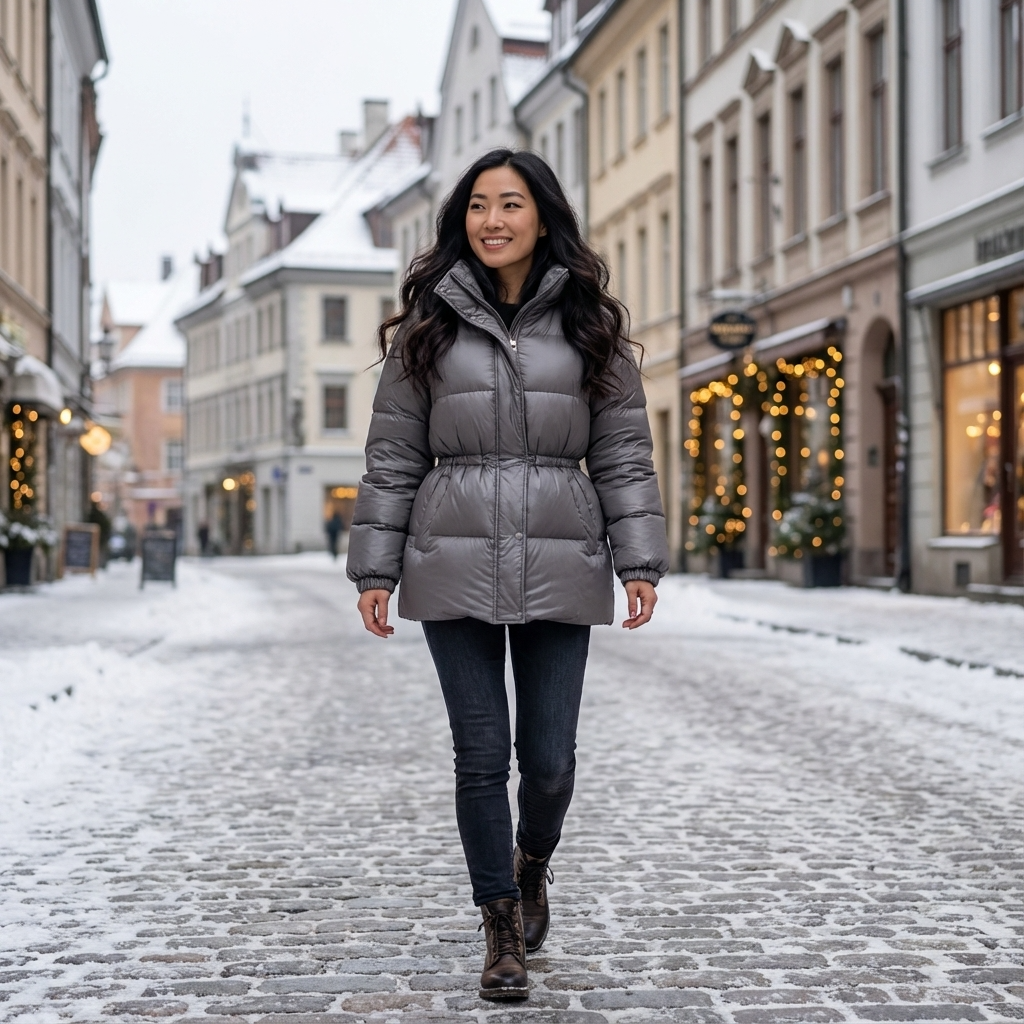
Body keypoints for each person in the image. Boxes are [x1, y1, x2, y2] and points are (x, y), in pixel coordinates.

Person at [347, 149, 669, 1001]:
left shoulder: (591, 324)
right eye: (479, 206)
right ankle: (499, 928)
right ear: (463, 220)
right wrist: (374, 570)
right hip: (450, 558)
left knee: (552, 761)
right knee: (481, 754)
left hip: (563, 557)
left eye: (511, 204)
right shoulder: (428, 327)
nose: (493, 220)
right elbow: (390, 458)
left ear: (541, 215)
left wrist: (639, 559)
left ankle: (533, 864)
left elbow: (625, 454)